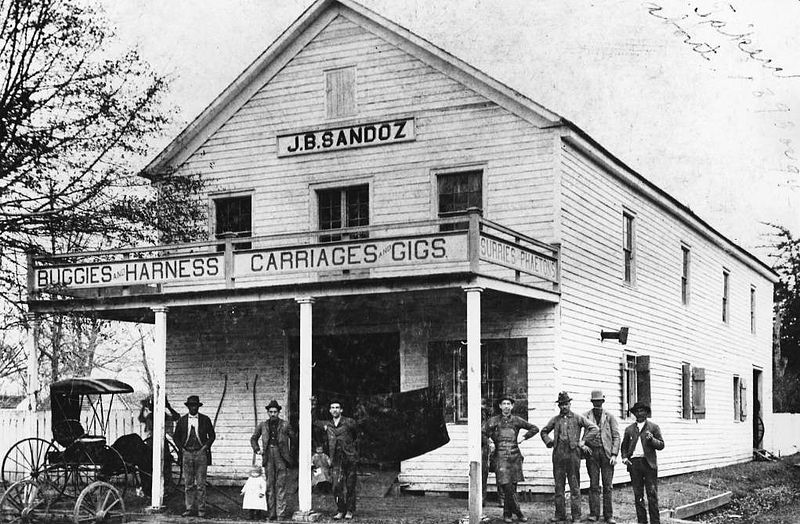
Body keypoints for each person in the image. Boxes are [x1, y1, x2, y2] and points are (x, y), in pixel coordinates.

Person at [540, 392, 599, 523]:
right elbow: (544, 431)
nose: (564, 407)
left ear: (570, 404)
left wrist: (583, 441)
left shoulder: (577, 418)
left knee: (574, 486)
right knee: (559, 486)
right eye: (561, 405)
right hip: (558, 456)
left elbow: (594, 428)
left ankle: (576, 516)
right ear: (559, 406)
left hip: (573, 456)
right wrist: (549, 442)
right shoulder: (555, 420)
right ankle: (559, 514)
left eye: (566, 404)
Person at [482, 395, 539, 523]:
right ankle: (518, 512)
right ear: (500, 406)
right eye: (504, 404)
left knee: (512, 486)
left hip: (515, 456)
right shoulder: (494, 420)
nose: (506, 406)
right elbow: (482, 432)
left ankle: (507, 514)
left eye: (509, 404)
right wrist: (489, 441)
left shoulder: (517, 420)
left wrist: (523, 437)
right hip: (500, 456)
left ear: (512, 406)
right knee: (506, 485)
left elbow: (534, 428)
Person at [314, 400, 359, 520]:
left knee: (350, 485)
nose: (335, 410)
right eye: (332, 408)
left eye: (337, 407)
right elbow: (314, 422)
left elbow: (355, 436)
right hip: (336, 460)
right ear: (329, 410)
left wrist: (352, 452)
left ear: (341, 410)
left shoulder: (349, 422)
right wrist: (312, 406)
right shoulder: (327, 424)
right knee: (336, 486)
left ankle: (349, 510)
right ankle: (341, 510)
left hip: (349, 458)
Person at [621, 402, 665, 524]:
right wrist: (624, 458)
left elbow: (661, 445)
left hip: (649, 464)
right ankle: (642, 521)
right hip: (635, 464)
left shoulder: (653, 427)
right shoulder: (629, 429)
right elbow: (624, 447)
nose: (640, 413)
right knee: (638, 495)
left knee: (652, 494)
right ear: (634, 414)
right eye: (637, 411)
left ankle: (655, 522)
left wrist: (652, 440)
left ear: (646, 413)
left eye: (642, 411)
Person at [250, 400, 294, 521]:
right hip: (268, 456)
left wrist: (289, 455)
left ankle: (281, 514)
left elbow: (294, 439)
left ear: (279, 412)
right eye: (271, 412)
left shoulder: (285, 424)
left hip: (281, 457)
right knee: (270, 486)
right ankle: (271, 513)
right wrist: (257, 449)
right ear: (268, 413)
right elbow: (253, 438)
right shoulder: (263, 425)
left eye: (275, 412)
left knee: (280, 486)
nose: (273, 414)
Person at [174, 395, 216, 517]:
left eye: (195, 406)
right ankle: (189, 508)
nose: (193, 408)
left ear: (198, 407)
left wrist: (205, 447)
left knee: (201, 484)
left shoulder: (205, 420)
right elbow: (176, 437)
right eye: (191, 406)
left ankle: (201, 510)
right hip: (187, 453)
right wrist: (181, 449)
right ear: (188, 407)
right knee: (188, 484)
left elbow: (212, 436)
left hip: (201, 453)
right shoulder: (182, 420)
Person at [583, 390, 621, 523]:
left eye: (599, 401)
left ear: (603, 402)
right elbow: (578, 432)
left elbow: (616, 436)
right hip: (592, 454)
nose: (597, 404)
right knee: (593, 485)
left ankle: (608, 515)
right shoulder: (585, 416)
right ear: (592, 402)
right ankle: (594, 513)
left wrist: (614, 454)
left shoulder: (610, 417)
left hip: (606, 454)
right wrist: (583, 445)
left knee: (607, 485)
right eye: (595, 402)